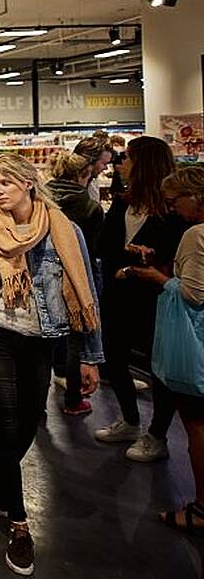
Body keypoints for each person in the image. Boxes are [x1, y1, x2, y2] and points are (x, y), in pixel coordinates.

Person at [0, 153, 103, 576]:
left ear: (29, 183)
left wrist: (89, 355)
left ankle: (0, 468)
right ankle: (19, 525)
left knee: (29, 421)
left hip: (42, 338)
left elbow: (86, 286)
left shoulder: (63, 231)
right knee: (5, 420)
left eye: (3, 184)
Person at [93, 135, 187, 462]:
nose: (120, 163)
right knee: (115, 359)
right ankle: (131, 420)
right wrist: (125, 264)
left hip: (156, 300)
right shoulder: (123, 202)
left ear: (143, 163)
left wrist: (131, 265)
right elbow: (103, 245)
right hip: (118, 296)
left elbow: (173, 256)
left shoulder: (173, 212)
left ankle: (157, 435)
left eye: (127, 157)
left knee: (159, 368)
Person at [130, 165, 204, 533]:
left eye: (177, 201)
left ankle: (201, 507)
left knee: (197, 424)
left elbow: (193, 293)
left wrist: (159, 277)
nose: (173, 208)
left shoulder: (196, 235)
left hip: (195, 342)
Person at [45, 151, 106, 416]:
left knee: (45, 337)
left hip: (46, 276)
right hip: (77, 277)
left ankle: (38, 402)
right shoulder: (89, 206)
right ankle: (73, 399)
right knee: (74, 338)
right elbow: (94, 250)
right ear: (84, 175)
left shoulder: (42, 198)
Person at [74, 135, 114, 204]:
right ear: (90, 162)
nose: (106, 168)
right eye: (104, 163)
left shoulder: (92, 182)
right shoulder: (70, 189)